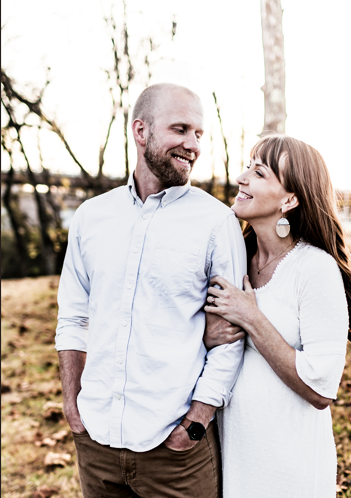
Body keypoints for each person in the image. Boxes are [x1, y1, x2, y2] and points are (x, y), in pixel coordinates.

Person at [55, 83, 247, 498]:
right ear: (141, 131)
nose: (193, 144)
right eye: (180, 129)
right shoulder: (91, 217)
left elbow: (230, 336)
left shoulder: (217, 223)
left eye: (199, 134)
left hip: (176, 454)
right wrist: (73, 404)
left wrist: (196, 422)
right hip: (96, 443)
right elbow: (73, 317)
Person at [204, 134, 351, 498]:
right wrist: (210, 337)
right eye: (247, 166)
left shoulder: (314, 269)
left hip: (289, 464)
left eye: (259, 173)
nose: (241, 178)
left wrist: (252, 318)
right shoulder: (233, 259)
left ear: (289, 200)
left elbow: (321, 388)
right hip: (233, 454)